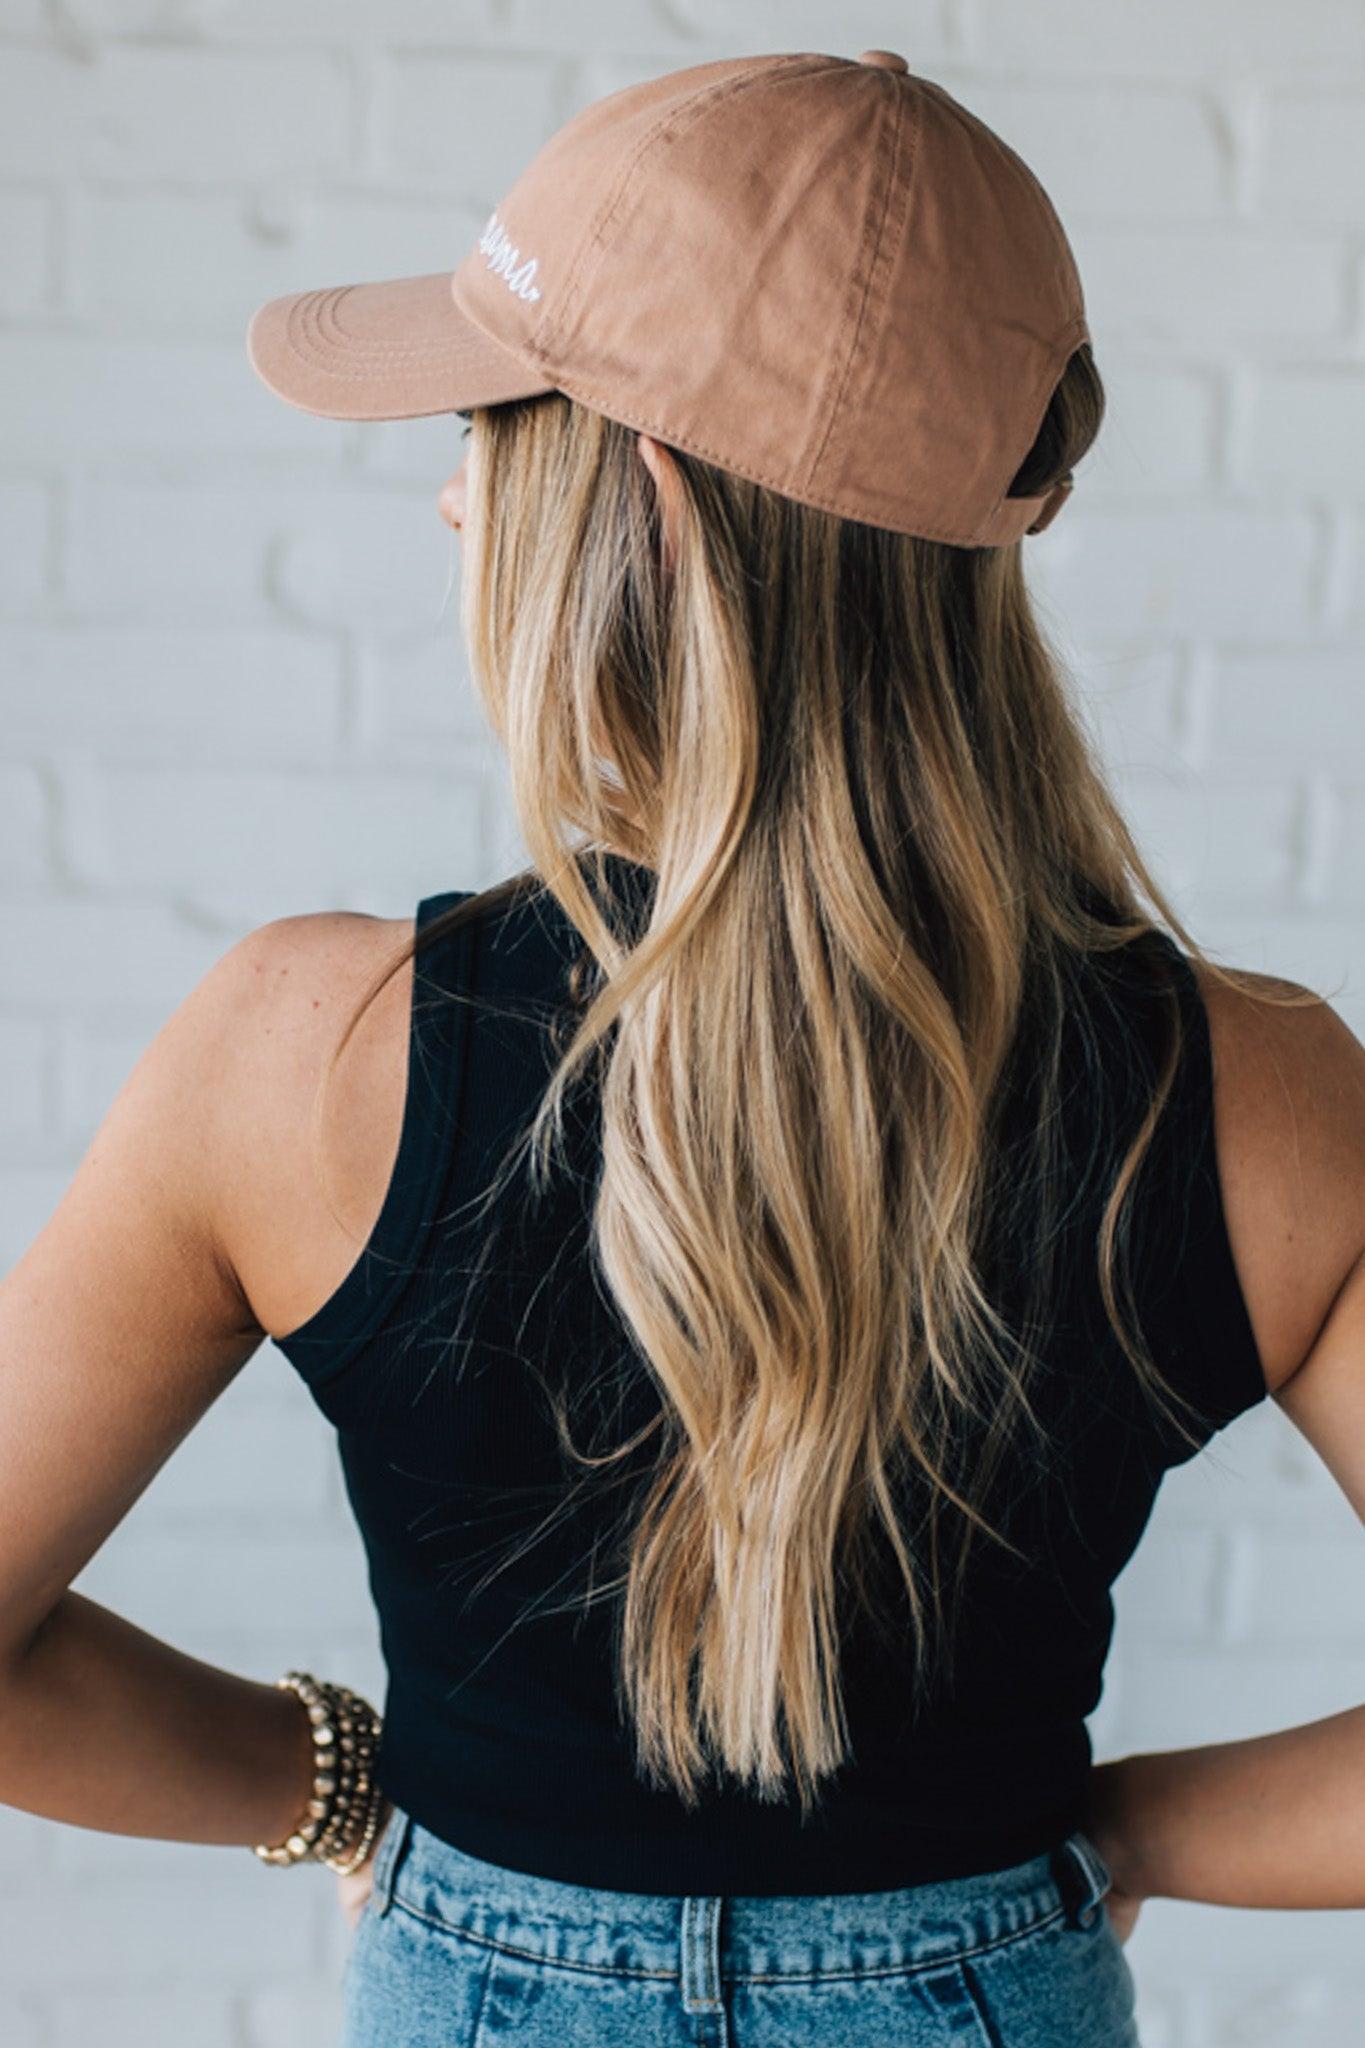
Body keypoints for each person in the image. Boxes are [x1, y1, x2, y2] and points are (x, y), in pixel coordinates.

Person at [1, 45, 1361, 2048]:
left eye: (485, 421)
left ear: (619, 494)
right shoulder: (1254, 1099)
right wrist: (1128, 1833)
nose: (456, 485)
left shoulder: (302, 1052)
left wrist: (338, 1786)